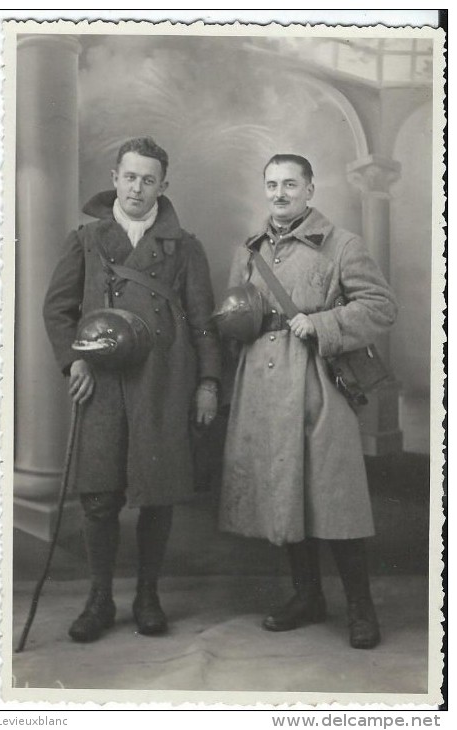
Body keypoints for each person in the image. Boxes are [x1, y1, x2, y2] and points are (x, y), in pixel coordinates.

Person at [43, 136, 221, 643]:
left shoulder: (185, 248)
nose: (137, 188)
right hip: (101, 383)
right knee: (99, 496)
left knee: (156, 495)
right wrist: (74, 358)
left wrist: (208, 383)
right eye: (129, 177)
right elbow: (57, 310)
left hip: (163, 382)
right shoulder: (85, 240)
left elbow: (205, 323)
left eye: (148, 179)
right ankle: (99, 599)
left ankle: (148, 595)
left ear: (163, 185)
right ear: (115, 178)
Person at [218, 154, 397, 649]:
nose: (280, 194)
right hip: (263, 386)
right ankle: (307, 597)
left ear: (310, 190)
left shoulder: (342, 245)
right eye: (272, 184)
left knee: (334, 496)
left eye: (290, 185)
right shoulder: (249, 251)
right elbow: (239, 313)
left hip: (318, 380)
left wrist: (321, 325)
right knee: (285, 493)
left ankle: (361, 608)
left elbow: (382, 307)